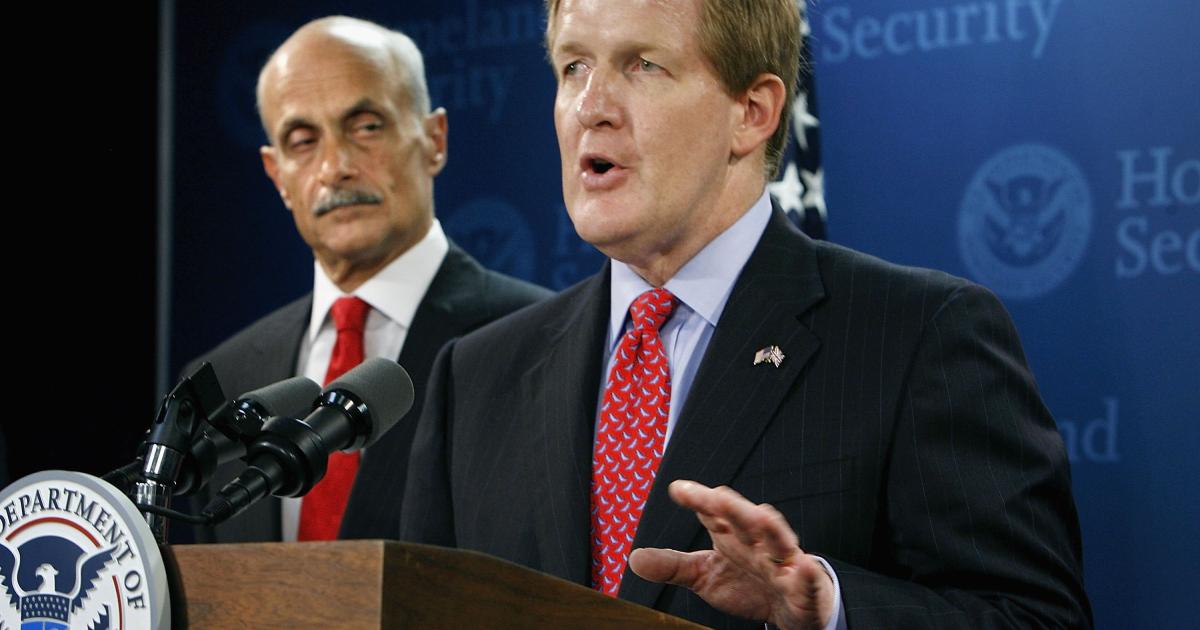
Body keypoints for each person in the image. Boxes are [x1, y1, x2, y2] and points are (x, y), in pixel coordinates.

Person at [399, 0, 1091, 628]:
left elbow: (1036, 618)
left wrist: (831, 610)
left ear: (752, 112)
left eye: (643, 65)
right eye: (573, 66)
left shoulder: (917, 336)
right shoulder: (476, 376)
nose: (591, 107)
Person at [187, 16, 550, 544]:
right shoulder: (224, 380)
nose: (335, 166)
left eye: (366, 127)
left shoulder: (538, 343)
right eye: (303, 140)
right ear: (277, 174)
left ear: (434, 140)